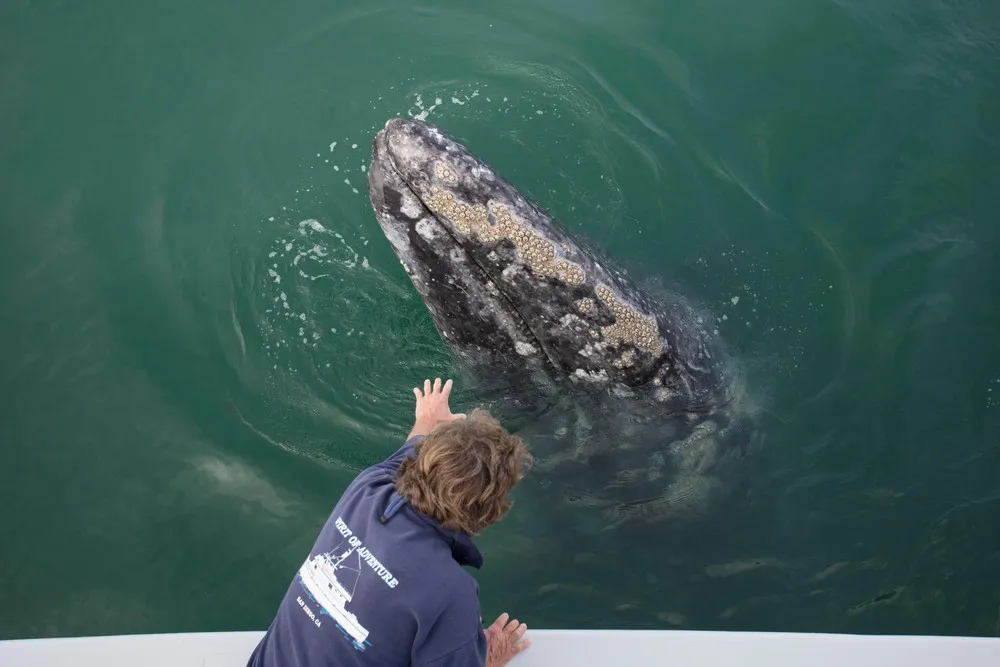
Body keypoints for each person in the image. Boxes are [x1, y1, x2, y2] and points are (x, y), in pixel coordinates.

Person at [247, 378, 533, 667]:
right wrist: (490, 658)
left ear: (422, 461)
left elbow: (409, 450)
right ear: (488, 512)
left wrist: (427, 420)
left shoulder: (367, 489)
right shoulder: (452, 593)